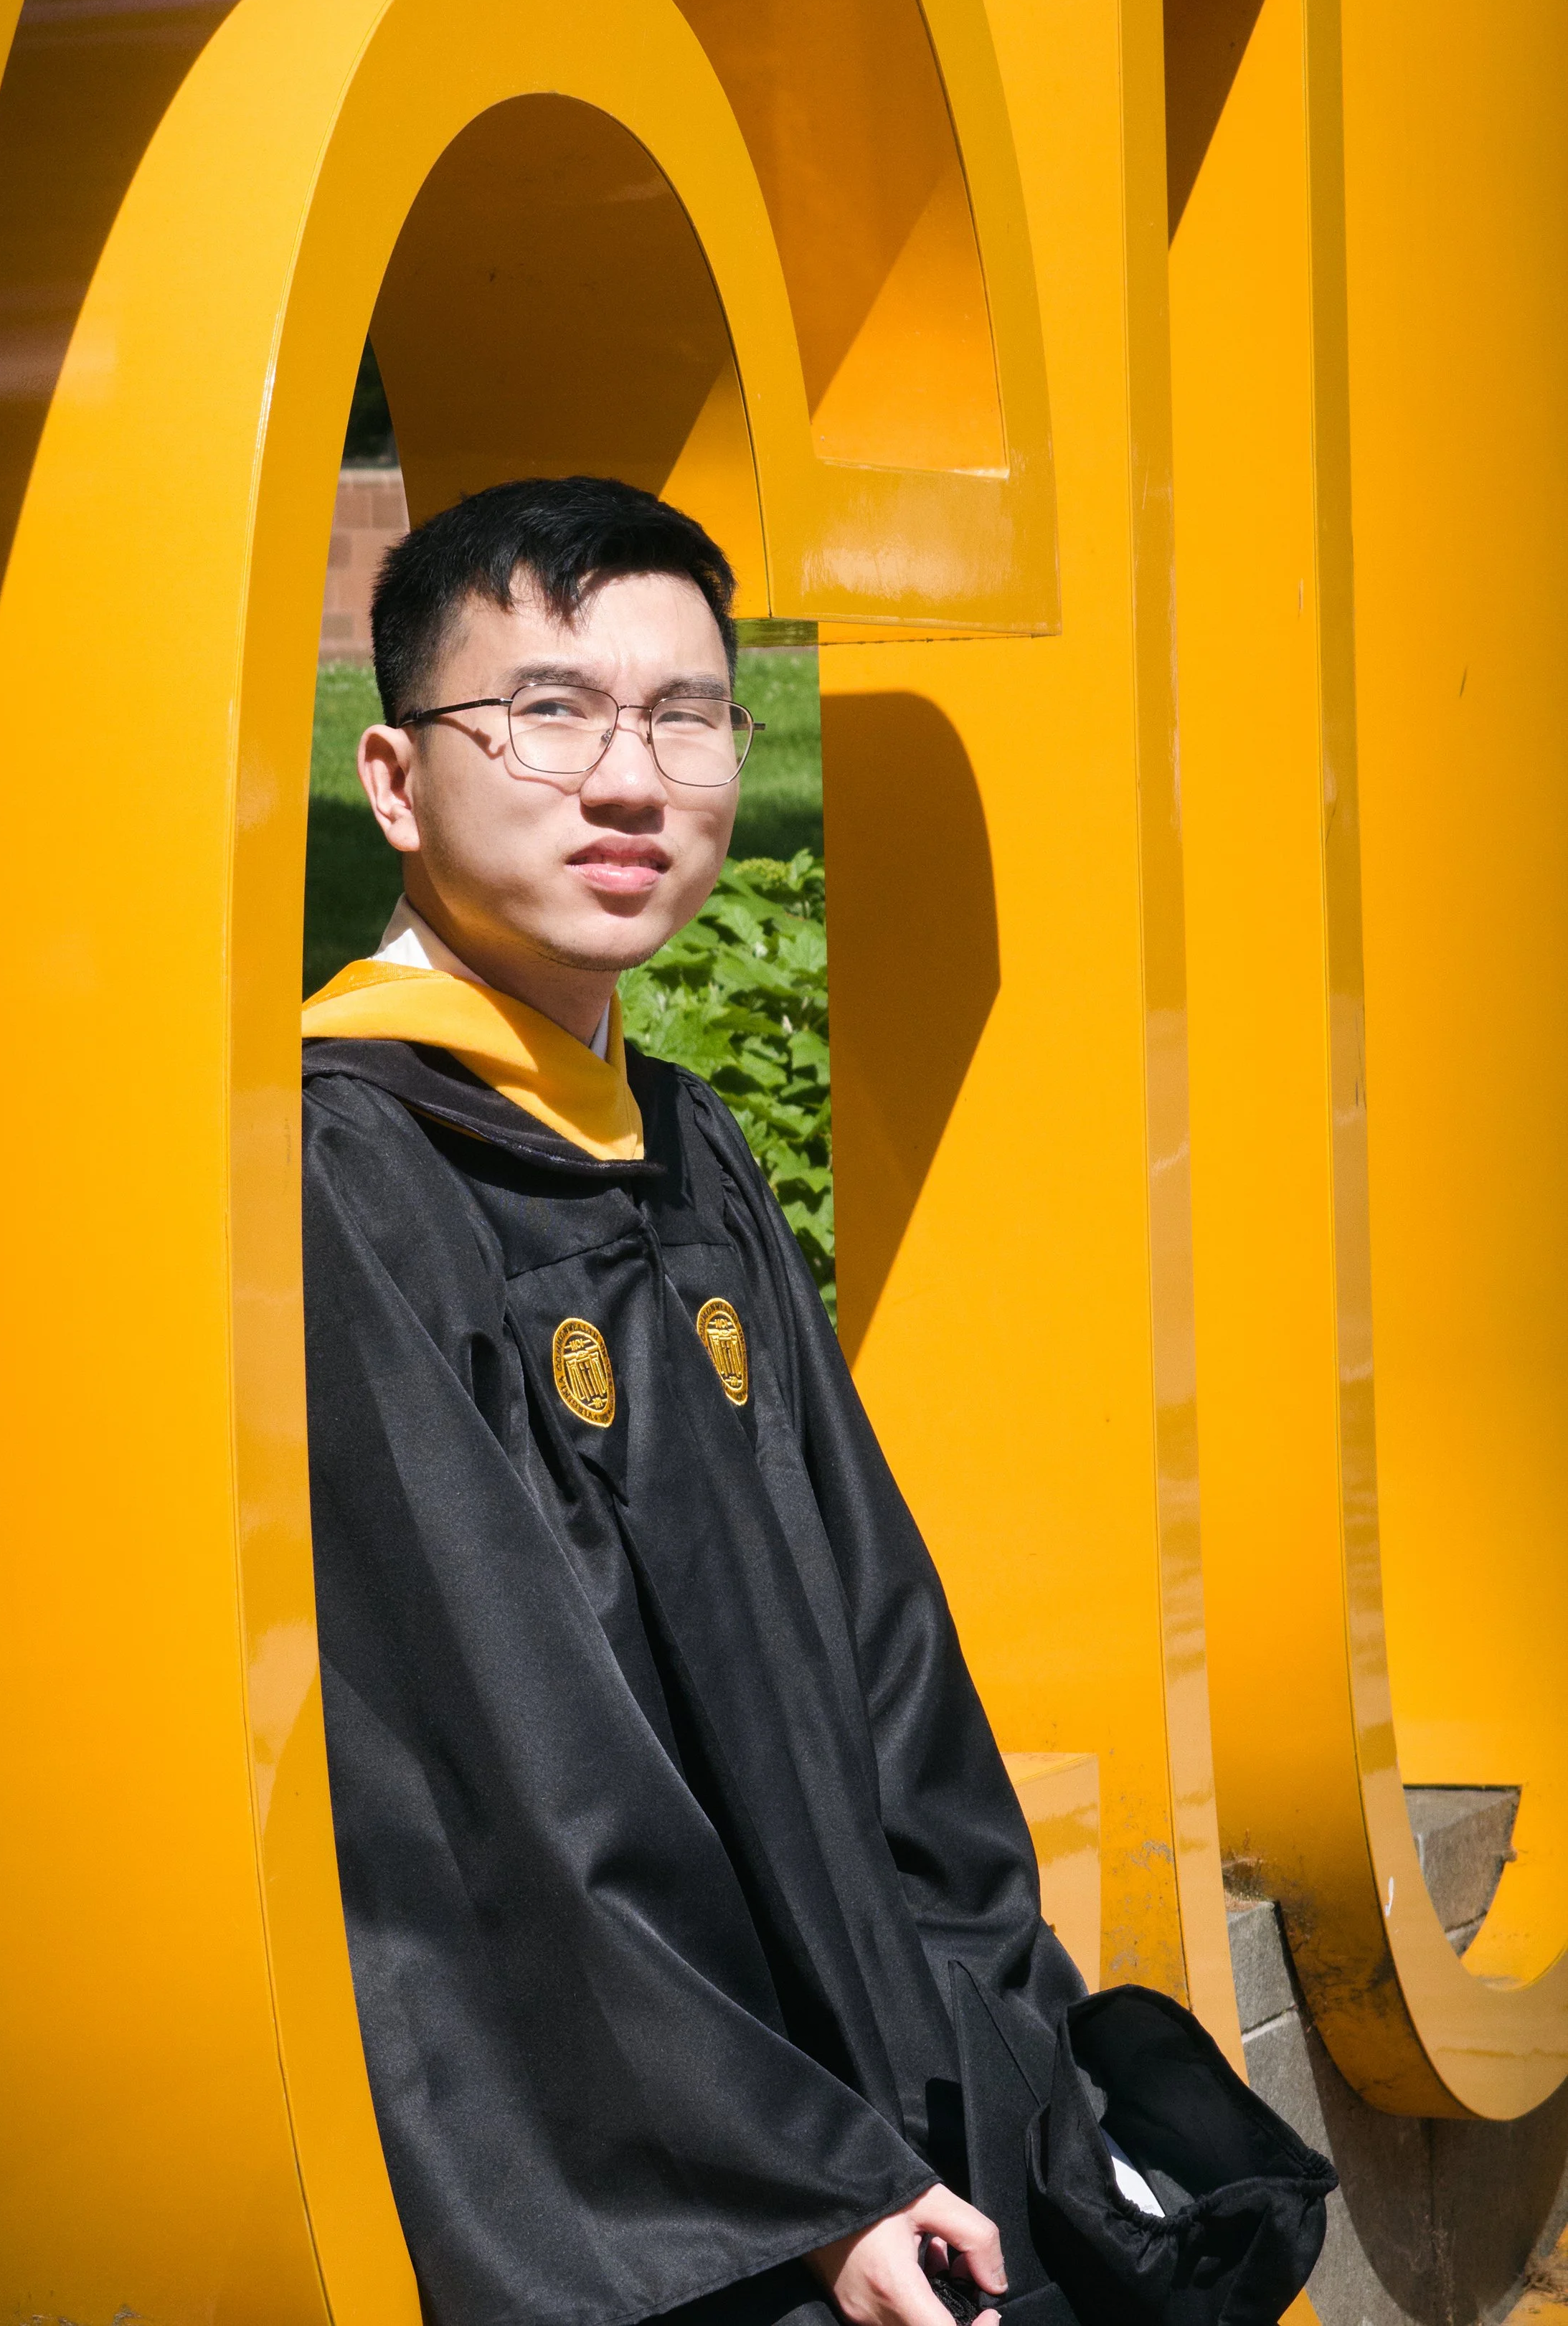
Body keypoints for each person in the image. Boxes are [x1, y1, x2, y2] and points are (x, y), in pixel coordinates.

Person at [300, 479, 1325, 2326]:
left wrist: (995, 2024)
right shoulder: (351, 1174)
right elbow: (503, 1750)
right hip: (649, 2160)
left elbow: (882, 1646)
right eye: (543, 711)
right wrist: (802, 2179)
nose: (627, 780)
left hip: (859, 2085)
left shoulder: (680, 1149)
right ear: (393, 778)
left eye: (683, 714)